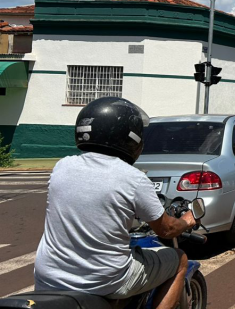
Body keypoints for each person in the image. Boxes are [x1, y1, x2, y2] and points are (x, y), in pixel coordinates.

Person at [34, 97, 196, 309]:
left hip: (49, 276)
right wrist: (186, 221)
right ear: (131, 138)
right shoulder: (133, 178)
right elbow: (166, 229)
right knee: (180, 260)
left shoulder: (62, 167)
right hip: (103, 281)